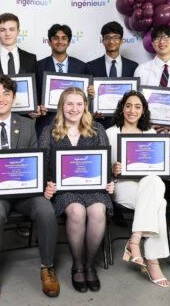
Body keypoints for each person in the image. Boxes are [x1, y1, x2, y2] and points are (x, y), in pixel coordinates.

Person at [0, 75, 59, 306]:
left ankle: (47, 268)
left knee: (46, 209)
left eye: (6, 93)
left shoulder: (27, 125)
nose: (1, 98)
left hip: (26, 193)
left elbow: (35, 161)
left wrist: (44, 184)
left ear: (14, 98)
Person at [38, 87, 114, 293]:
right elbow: (42, 164)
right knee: (76, 211)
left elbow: (105, 165)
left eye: (79, 104)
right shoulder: (49, 131)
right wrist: (46, 184)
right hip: (63, 189)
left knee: (98, 210)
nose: (74, 108)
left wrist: (109, 181)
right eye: (69, 104)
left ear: (85, 107)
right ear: (62, 106)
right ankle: (78, 264)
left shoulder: (97, 129)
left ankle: (90, 264)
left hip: (93, 187)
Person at [106, 90, 170, 288]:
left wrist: (169, 165)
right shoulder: (110, 133)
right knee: (160, 203)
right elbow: (102, 166)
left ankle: (135, 239)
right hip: (123, 185)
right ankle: (152, 261)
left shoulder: (150, 133)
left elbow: (156, 164)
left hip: (147, 185)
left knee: (154, 182)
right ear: (122, 108)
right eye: (128, 105)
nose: (132, 110)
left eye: (138, 107)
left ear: (143, 111)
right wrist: (112, 169)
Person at [0, 13, 42, 119]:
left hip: (24, 119)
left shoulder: (30, 58)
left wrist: (36, 107)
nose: (7, 34)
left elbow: (36, 88)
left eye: (11, 29)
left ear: (18, 32)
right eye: (3, 30)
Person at [36, 24, 88, 136]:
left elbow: (85, 97)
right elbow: (35, 93)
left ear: (68, 42)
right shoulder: (38, 66)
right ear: (49, 42)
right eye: (55, 38)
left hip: (75, 123)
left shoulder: (81, 66)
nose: (60, 41)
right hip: (47, 122)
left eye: (64, 38)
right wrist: (39, 107)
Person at [86, 21, 139, 128]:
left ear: (121, 41)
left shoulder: (133, 66)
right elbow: (85, 97)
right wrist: (88, 95)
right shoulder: (90, 66)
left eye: (115, 37)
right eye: (107, 37)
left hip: (126, 123)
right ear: (103, 41)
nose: (111, 41)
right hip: (99, 123)